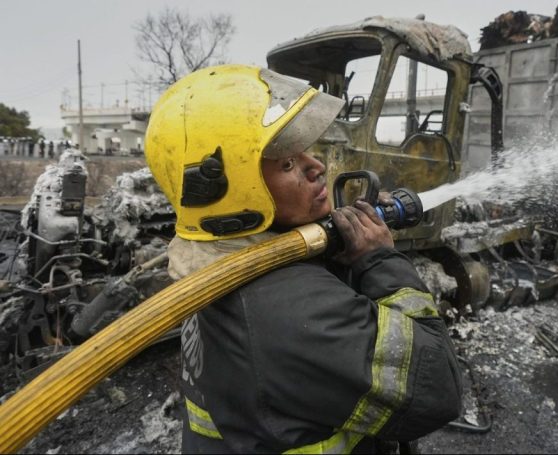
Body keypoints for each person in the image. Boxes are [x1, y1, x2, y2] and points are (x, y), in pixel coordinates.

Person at [145, 64, 462, 454]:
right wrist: (378, 260)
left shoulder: (215, 263)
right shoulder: (286, 310)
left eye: (305, 152)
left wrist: (341, 252)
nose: (317, 166)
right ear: (235, 191)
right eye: (287, 163)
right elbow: (437, 388)